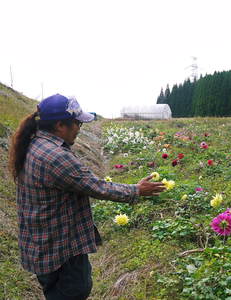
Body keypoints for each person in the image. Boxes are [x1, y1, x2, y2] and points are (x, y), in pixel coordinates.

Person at [8, 94, 166, 300]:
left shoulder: (34, 144)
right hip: (60, 247)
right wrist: (137, 190)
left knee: (55, 290)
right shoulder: (55, 157)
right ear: (59, 125)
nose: (79, 129)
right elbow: (96, 187)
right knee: (76, 290)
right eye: (77, 123)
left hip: (40, 242)